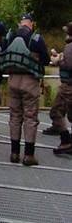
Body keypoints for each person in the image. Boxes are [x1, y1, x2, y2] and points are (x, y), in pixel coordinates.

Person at [0, 13, 50, 165]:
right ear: (31, 24)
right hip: (30, 82)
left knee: (14, 116)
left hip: (13, 80)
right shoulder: (36, 39)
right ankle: (28, 155)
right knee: (30, 117)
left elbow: (3, 52)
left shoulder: (10, 36)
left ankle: (14, 153)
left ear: (20, 24)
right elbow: (45, 60)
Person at [49, 22, 72, 155]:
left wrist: (58, 61)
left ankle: (65, 140)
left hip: (68, 85)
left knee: (55, 112)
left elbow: (68, 65)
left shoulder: (69, 47)